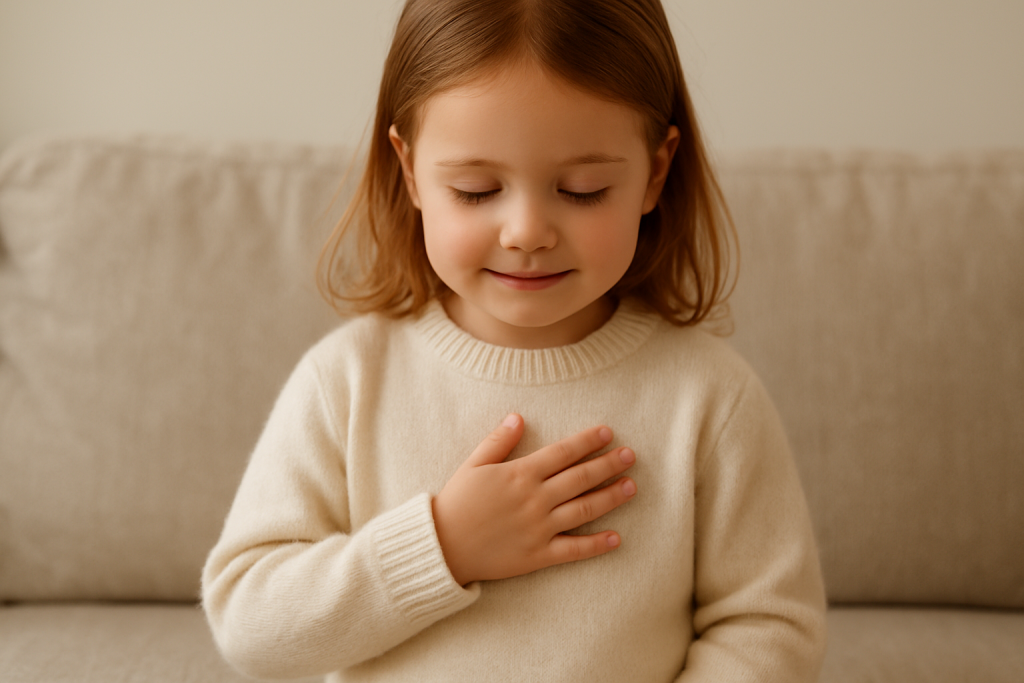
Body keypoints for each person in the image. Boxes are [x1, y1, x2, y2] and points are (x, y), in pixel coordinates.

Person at [201, 0, 827, 680]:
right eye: (476, 189)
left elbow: (770, 624)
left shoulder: (711, 396)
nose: (527, 229)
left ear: (654, 171)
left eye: (583, 189)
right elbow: (249, 621)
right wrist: (441, 545)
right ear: (410, 172)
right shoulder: (348, 380)